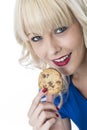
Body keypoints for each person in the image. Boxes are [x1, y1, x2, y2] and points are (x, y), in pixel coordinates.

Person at [14, 0, 87, 130]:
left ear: (82, 20)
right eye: (36, 38)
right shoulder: (57, 94)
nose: (52, 50)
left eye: (60, 29)